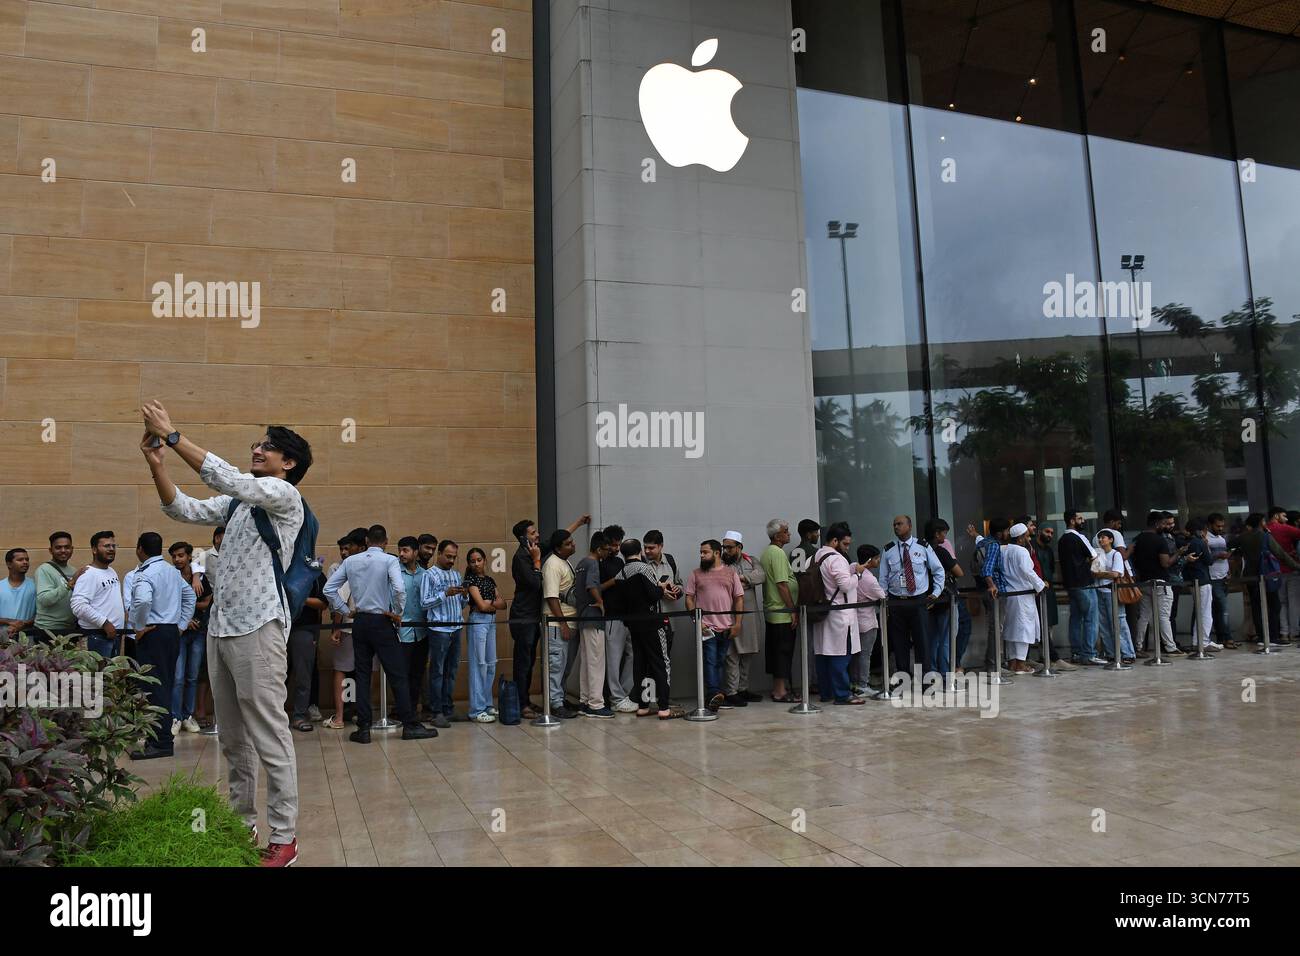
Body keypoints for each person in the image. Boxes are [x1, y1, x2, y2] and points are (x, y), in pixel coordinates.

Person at [145, 399, 313, 867]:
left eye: (268, 446)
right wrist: (157, 462)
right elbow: (183, 509)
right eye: (258, 443)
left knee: (270, 735)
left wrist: (174, 436)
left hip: (261, 626)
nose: (258, 449)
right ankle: (243, 825)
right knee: (232, 739)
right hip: (221, 628)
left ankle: (285, 837)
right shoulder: (239, 504)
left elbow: (230, 478)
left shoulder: (284, 497)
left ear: (289, 463)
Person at [324, 525, 434, 744]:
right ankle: (410, 725)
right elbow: (400, 589)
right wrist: (398, 613)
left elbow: (329, 589)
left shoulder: (351, 561)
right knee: (398, 674)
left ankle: (363, 729)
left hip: (360, 621)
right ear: (385, 542)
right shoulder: (389, 560)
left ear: (366, 540)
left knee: (362, 675)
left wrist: (346, 611)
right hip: (382, 620)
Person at [509, 515, 591, 719]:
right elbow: (537, 584)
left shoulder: (536, 549)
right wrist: (537, 561)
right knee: (524, 662)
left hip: (535, 616)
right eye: (533, 533)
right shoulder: (522, 557)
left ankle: (530, 701)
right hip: (523, 617)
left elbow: (558, 540)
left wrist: (578, 523)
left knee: (534, 661)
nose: (538, 535)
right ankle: (522, 704)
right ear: (522, 538)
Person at [127, 531, 196, 758]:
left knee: (154, 689)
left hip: (152, 632)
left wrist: (138, 627)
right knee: (163, 685)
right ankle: (160, 740)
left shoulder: (144, 573)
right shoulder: (171, 571)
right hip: (170, 632)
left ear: (140, 549)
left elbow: (143, 600)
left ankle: (161, 743)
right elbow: (190, 597)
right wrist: (181, 624)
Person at [617, 539, 684, 719]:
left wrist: (657, 587)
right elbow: (653, 594)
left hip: (633, 625)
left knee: (640, 664)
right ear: (639, 551)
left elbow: (624, 600)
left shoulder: (621, 573)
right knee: (661, 663)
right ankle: (663, 707)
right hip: (653, 623)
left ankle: (643, 706)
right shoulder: (644, 568)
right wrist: (661, 589)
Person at [879, 515, 945, 686]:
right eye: (894, 524)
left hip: (918, 600)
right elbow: (883, 578)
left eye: (900, 524)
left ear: (909, 526)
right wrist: (884, 600)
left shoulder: (923, 547)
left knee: (922, 641)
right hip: (896, 602)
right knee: (899, 643)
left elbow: (938, 571)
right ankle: (903, 680)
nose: (896, 527)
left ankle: (926, 680)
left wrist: (936, 592)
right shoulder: (889, 549)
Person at [686, 539, 744, 712]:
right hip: (706, 628)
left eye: (705, 552)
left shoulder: (731, 573)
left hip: (726, 627)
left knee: (719, 662)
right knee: (710, 661)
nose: (702, 555)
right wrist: (698, 622)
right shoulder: (695, 574)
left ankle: (715, 696)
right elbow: (689, 598)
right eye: (701, 552)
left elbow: (738, 598)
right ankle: (713, 694)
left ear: (717, 553)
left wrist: (738, 624)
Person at [811, 522, 864, 704]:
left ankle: (827, 693)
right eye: (845, 544)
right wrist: (857, 575)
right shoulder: (837, 559)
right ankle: (842, 694)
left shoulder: (816, 556)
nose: (847, 548)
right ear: (835, 541)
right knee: (841, 655)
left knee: (823, 654)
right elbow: (845, 585)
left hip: (821, 611)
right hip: (840, 613)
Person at [421, 539, 468, 727]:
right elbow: (424, 603)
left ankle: (448, 708)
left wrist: (464, 596)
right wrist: (444, 594)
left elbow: (461, 604)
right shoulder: (429, 575)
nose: (451, 560)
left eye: (454, 557)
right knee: (437, 671)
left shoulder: (456, 575)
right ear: (439, 554)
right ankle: (436, 711)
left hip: (456, 627)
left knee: (452, 671)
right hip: (439, 629)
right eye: (448, 556)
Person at [1235, 512, 1298, 647]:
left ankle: (1261, 637)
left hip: (1250, 576)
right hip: (1267, 575)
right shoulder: (1265, 536)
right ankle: (1273, 637)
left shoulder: (1242, 537)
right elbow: (1280, 553)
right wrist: (1296, 566)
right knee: (1274, 605)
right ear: (1261, 523)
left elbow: (1233, 549)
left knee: (1256, 607)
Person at [322, 532, 363, 730]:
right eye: (342, 549)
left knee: (343, 670)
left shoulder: (348, 568)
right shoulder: (338, 567)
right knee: (353, 671)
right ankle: (352, 712)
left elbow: (339, 599)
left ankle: (342, 716)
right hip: (363, 625)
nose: (344, 552)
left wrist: (336, 628)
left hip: (347, 625)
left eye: (348, 548)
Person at [168, 541, 209, 735]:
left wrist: (196, 576)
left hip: (198, 633)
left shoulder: (199, 576)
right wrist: (185, 619)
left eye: (181, 555)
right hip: (179, 633)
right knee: (177, 677)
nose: (177, 559)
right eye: (174, 556)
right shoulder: (170, 577)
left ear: (189, 557)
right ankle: (175, 716)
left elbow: (209, 599)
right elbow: (168, 604)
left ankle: (187, 716)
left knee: (192, 676)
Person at [721, 531, 765, 707]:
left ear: (739, 547)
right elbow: (726, 583)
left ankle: (743, 689)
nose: (726, 550)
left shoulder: (751, 560)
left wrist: (741, 578)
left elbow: (761, 575)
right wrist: (746, 582)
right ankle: (731, 691)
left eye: (729, 547)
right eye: (724, 547)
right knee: (732, 655)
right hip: (731, 615)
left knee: (748, 653)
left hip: (750, 615)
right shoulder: (721, 564)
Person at [759, 519, 801, 703]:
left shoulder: (770, 552)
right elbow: (782, 584)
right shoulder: (776, 553)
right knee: (783, 652)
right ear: (777, 536)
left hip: (775, 611)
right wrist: (792, 609)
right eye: (786, 531)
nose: (789, 534)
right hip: (780, 612)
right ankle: (780, 691)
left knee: (778, 652)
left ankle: (780, 688)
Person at [572, 532, 613, 718]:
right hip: (593, 616)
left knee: (586, 662)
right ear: (598, 549)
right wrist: (600, 602)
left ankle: (585, 701)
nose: (608, 553)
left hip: (581, 616)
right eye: (606, 550)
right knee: (596, 662)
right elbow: (591, 586)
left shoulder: (581, 563)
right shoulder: (594, 563)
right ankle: (596, 704)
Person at [542, 529, 582, 719]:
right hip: (557, 625)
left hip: (570, 622)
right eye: (568, 543)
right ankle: (555, 703)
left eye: (572, 541)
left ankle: (561, 697)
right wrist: (563, 623)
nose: (572, 544)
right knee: (556, 665)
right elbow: (551, 597)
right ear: (558, 548)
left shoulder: (565, 562)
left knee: (566, 666)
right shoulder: (552, 564)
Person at [1131, 510, 1181, 658]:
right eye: (1164, 523)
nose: (1165, 526)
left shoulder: (1138, 539)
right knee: (1164, 616)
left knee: (1144, 616)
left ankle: (1137, 646)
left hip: (1144, 582)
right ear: (1158, 524)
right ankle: (1170, 647)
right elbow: (1165, 563)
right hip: (1160, 582)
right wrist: (1178, 553)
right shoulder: (1160, 541)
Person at [464, 547, 505, 722]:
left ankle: (487, 704)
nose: (476, 563)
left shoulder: (489, 580)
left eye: (479, 560)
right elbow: (481, 606)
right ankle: (476, 709)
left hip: (491, 621)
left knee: (490, 664)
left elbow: (503, 603)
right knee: (478, 664)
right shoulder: (470, 580)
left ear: (485, 560)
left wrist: (491, 604)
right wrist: (492, 603)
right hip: (478, 621)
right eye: (472, 561)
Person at [598, 524, 637, 713]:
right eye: (613, 545)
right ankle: (616, 697)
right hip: (611, 616)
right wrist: (617, 579)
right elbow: (595, 589)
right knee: (613, 660)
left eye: (618, 545)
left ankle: (623, 692)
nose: (616, 548)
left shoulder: (621, 562)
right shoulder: (599, 563)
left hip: (626, 615)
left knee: (633, 654)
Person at [1059, 510, 1104, 666]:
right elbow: (1094, 556)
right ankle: (1089, 654)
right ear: (1072, 521)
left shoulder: (1062, 539)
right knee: (1091, 619)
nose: (1082, 520)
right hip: (1084, 583)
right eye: (1079, 518)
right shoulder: (1079, 537)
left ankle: (1076, 653)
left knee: (1075, 619)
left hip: (1071, 584)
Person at [70, 531, 124, 659]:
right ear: (94, 550)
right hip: (96, 637)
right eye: (106, 546)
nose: (111, 549)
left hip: (113, 636)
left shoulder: (111, 571)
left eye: (113, 546)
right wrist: (104, 623)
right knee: (97, 678)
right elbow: (78, 605)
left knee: (109, 678)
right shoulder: (88, 574)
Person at [1001, 523, 1044, 673]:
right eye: (1027, 535)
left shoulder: (1003, 550)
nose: (1029, 538)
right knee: (1023, 629)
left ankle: (1013, 662)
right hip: (1022, 594)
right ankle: (1020, 664)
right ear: (1020, 538)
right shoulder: (1021, 551)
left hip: (1010, 594)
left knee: (1012, 628)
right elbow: (1028, 571)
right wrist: (1040, 585)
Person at [922, 519, 963, 675]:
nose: (945, 537)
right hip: (945, 598)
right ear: (936, 533)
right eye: (944, 533)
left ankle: (932, 671)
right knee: (947, 638)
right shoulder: (940, 551)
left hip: (928, 598)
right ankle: (946, 673)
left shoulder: (919, 550)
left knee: (932, 638)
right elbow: (959, 572)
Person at [288, 573, 327, 733]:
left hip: (303, 629)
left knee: (303, 675)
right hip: (276, 627)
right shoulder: (276, 567)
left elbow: (323, 603)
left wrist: (301, 599)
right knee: (273, 675)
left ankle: (299, 715)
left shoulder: (313, 573)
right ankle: (273, 717)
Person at [396, 536, 430, 722]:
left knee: (417, 673)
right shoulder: (395, 573)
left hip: (422, 631)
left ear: (416, 553)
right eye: (400, 550)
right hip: (402, 631)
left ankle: (413, 710)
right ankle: (403, 711)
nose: (402, 554)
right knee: (402, 673)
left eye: (406, 550)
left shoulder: (425, 574)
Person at [971, 519, 1009, 674]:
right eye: (1006, 530)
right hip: (995, 590)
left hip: (983, 590)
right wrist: (992, 585)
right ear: (1000, 532)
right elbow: (987, 569)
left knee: (994, 627)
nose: (1008, 533)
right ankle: (993, 666)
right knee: (996, 628)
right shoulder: (993, 545)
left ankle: (991, 663)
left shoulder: (983, 542)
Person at [1094, 530, 1135, 664]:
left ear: (1111, 540)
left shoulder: (1115, 554)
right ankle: (1111, 653)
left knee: (1119, 622)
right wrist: (1104, 574)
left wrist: (1102, 574)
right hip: (1100, 591)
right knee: (1104, 623)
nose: (1101, 540)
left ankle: (1127, 653)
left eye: (1103, 538)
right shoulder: (1098, 554)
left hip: (1112, 591)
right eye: (1099, 538)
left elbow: (1117, 574)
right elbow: (1094, 572)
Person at [1183, 519, 1220, 651]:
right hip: (1202, 579)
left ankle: (1196, 641)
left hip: (1192, 580)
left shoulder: (1187, 543)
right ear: (1201, 531)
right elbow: (1209, 561)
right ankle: (1203, 641)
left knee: (1200, 610)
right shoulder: (1200, 542)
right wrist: (1207, 545)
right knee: (1205, 612)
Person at [34, 531, 77, 642]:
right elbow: (44, 599)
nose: (63, 550)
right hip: (48, 631)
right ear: (50, 550)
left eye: (67, 547)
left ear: (72, 549)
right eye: (58, 547)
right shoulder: (44, 570)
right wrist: (68, 586)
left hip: (69, 630)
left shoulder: (74, 571)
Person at [852, 544, 884, 694]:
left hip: (855, 619)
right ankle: (863, 684)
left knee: (856, 654)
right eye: (877, 558)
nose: (879, 561)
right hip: (867, 621)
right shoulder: (869, 580)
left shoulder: (853, 570)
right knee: (866, 654)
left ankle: (855, 681)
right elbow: (882, 596)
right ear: (870, 560)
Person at [1265, 507, 1300, 642]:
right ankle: (1294, 631)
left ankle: (1284, 632)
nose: (1286, 519)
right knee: (1294, 602)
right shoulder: (1284, 528)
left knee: (1282, 603)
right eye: (1284, 516)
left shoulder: (1266, 530)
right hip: (1291, 570)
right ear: (1276, 516)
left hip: (1274, 572)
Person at [1206, 513, 1235, 648]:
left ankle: (1221, 637)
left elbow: (1225, 559)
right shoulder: (1205, 539)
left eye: (1222, 526)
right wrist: (1218, 555)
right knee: (1223, 609)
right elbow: (1206, 559)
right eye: (1218, 526)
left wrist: (1228, 570)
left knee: (1218, 610)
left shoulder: (1222, 539)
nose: (1220, 528)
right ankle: (1228, 637)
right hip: (1213, 578)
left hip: (1223, 577)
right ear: (1210, 525)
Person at [0, 548, 36, 639]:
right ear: (9, 564)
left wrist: (23, 624)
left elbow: (41, 614)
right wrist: (9, 622)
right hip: (2, 638)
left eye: (27, 559)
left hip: (27, 638)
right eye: (20, 560)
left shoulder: (35, 585)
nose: (25, 562)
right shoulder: (1, 586)